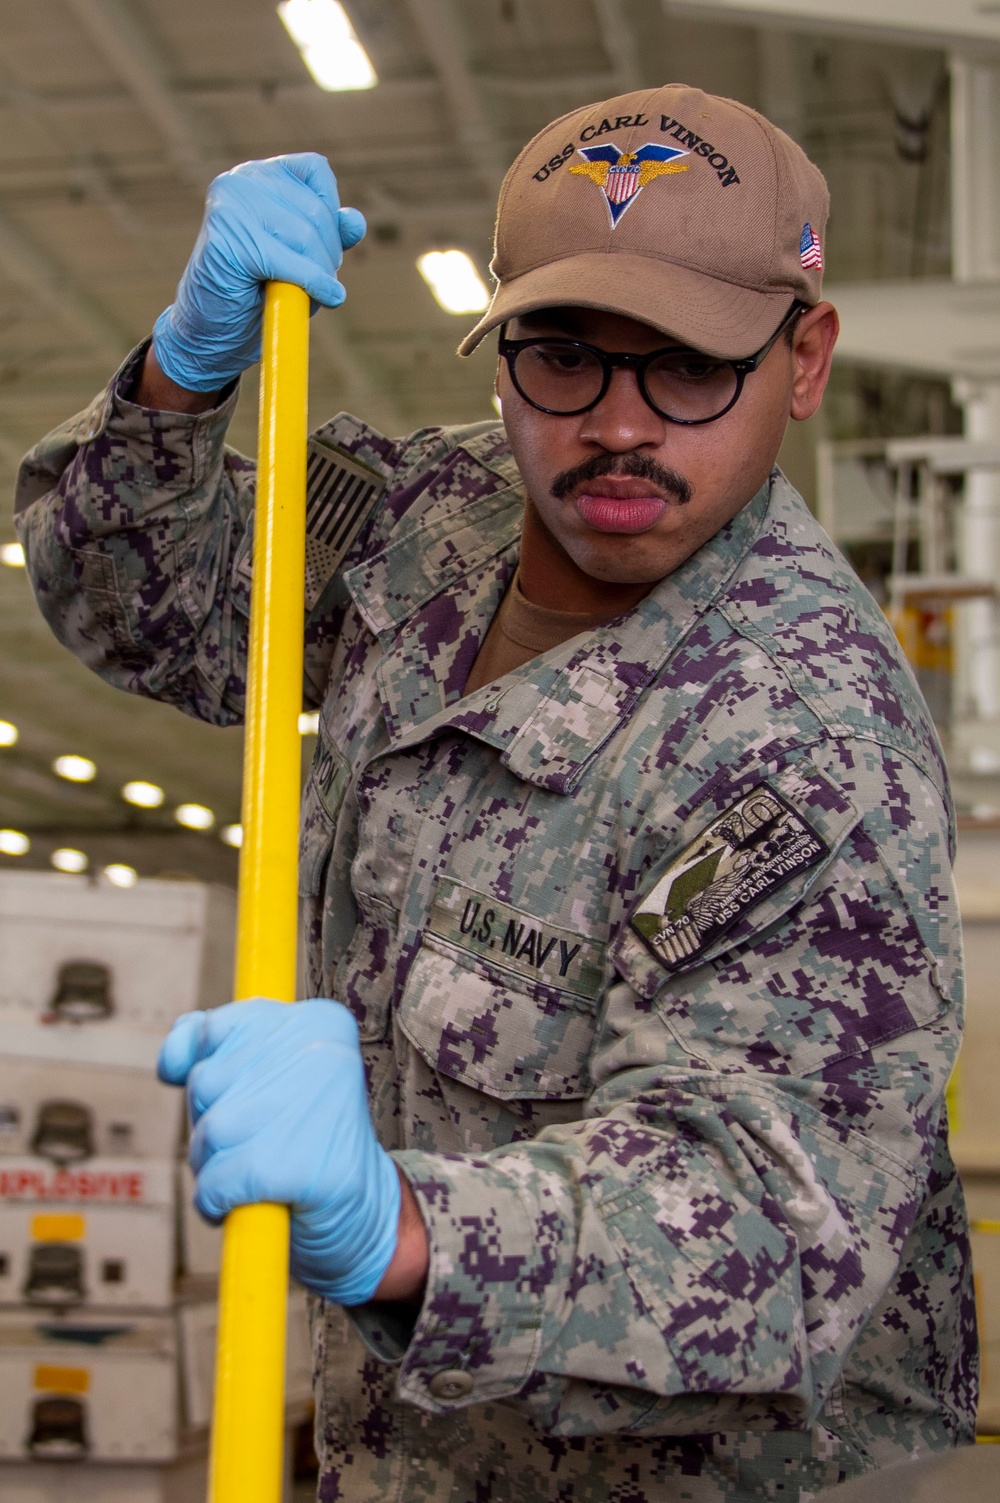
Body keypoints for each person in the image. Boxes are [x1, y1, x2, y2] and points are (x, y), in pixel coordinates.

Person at [15, 83, 977, 1501]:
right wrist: (183, 377)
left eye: (691, 369)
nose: (616, 429)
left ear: (806, 355)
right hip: (405, 1450)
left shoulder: (801, 734)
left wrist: (394, 1227)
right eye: (564, 359)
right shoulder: (436, 515)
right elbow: (136, 606)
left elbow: (770, 1239)